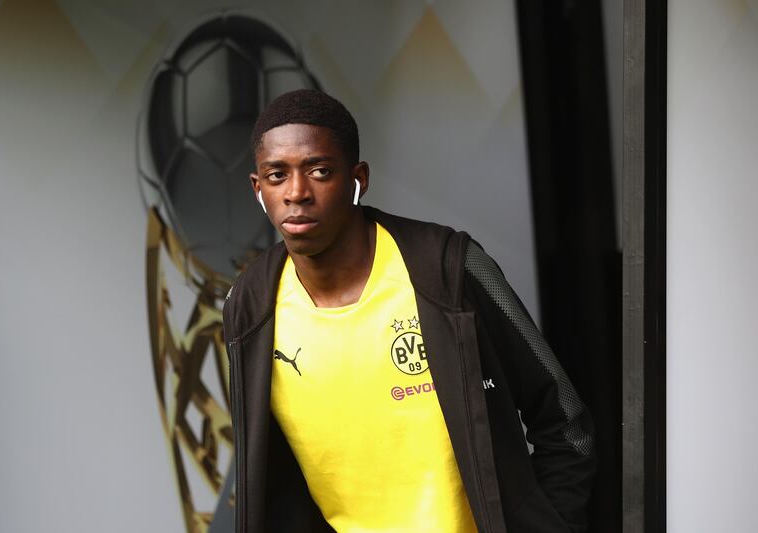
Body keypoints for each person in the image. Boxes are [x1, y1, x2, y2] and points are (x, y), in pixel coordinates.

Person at [213, 89, 595, 533]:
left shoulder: (448, 269)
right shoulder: (248, 309)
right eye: (277, 175)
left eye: (319, 171)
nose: (297, 193)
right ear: (258, 190)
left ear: (358, 179)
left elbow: (566, 422)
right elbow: (268, 482)